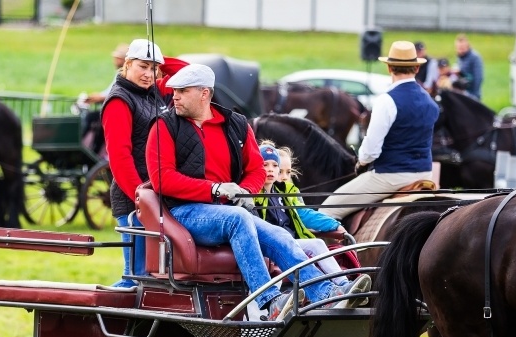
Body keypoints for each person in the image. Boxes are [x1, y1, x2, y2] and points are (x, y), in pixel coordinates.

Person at [145, 64, 371, 320]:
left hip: (228, 211)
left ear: (204, 93)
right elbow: (162, 180)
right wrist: (215, 189)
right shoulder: (163, 126)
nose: (174, 96)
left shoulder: (236, 124)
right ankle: (270, 300)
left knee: (277, 234)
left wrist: (245, 193)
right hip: (183, 212)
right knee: (238, 219)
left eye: (182, 91)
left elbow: (256, 170)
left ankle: (327, 293)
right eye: (174, 90)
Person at [319, 41, 439, 221]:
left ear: (389, 67)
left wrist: (361, 162)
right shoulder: (430, 101)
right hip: (425, 174)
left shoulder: (387, 101)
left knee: (326, 211)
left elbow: (371, 150)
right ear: (416, 68)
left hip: (390, 176)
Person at [101, 38, 187, 288]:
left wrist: (158, 58)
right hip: (134, 201)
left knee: (152, 279)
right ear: (126, 65)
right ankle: (104, 320)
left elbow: (188, 73)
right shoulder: (119, 100)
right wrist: (142, 201)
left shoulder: (155, 92)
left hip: (156, 197)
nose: (148, 74)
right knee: (137, 277)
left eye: (153, 69)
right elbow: (119, 158)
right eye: (142, 66)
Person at [254, 142, 351, 286]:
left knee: (317, 243)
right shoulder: (253, 194)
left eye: (275, 166)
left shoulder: (283, 193)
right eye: (265, 165)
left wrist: (333, 225)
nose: (272, 170)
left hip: (291, 241)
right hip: (272, 245)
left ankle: (343, 284)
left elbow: (304, 214)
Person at [454, 34, 484, 100]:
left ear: (467, 46)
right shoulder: (460, 58)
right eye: (459, 48)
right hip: (462, 93)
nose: (460, 50)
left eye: (462, 48)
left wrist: (474, 96)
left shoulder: (475, 57)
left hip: (472, 94)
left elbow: (478, 78)